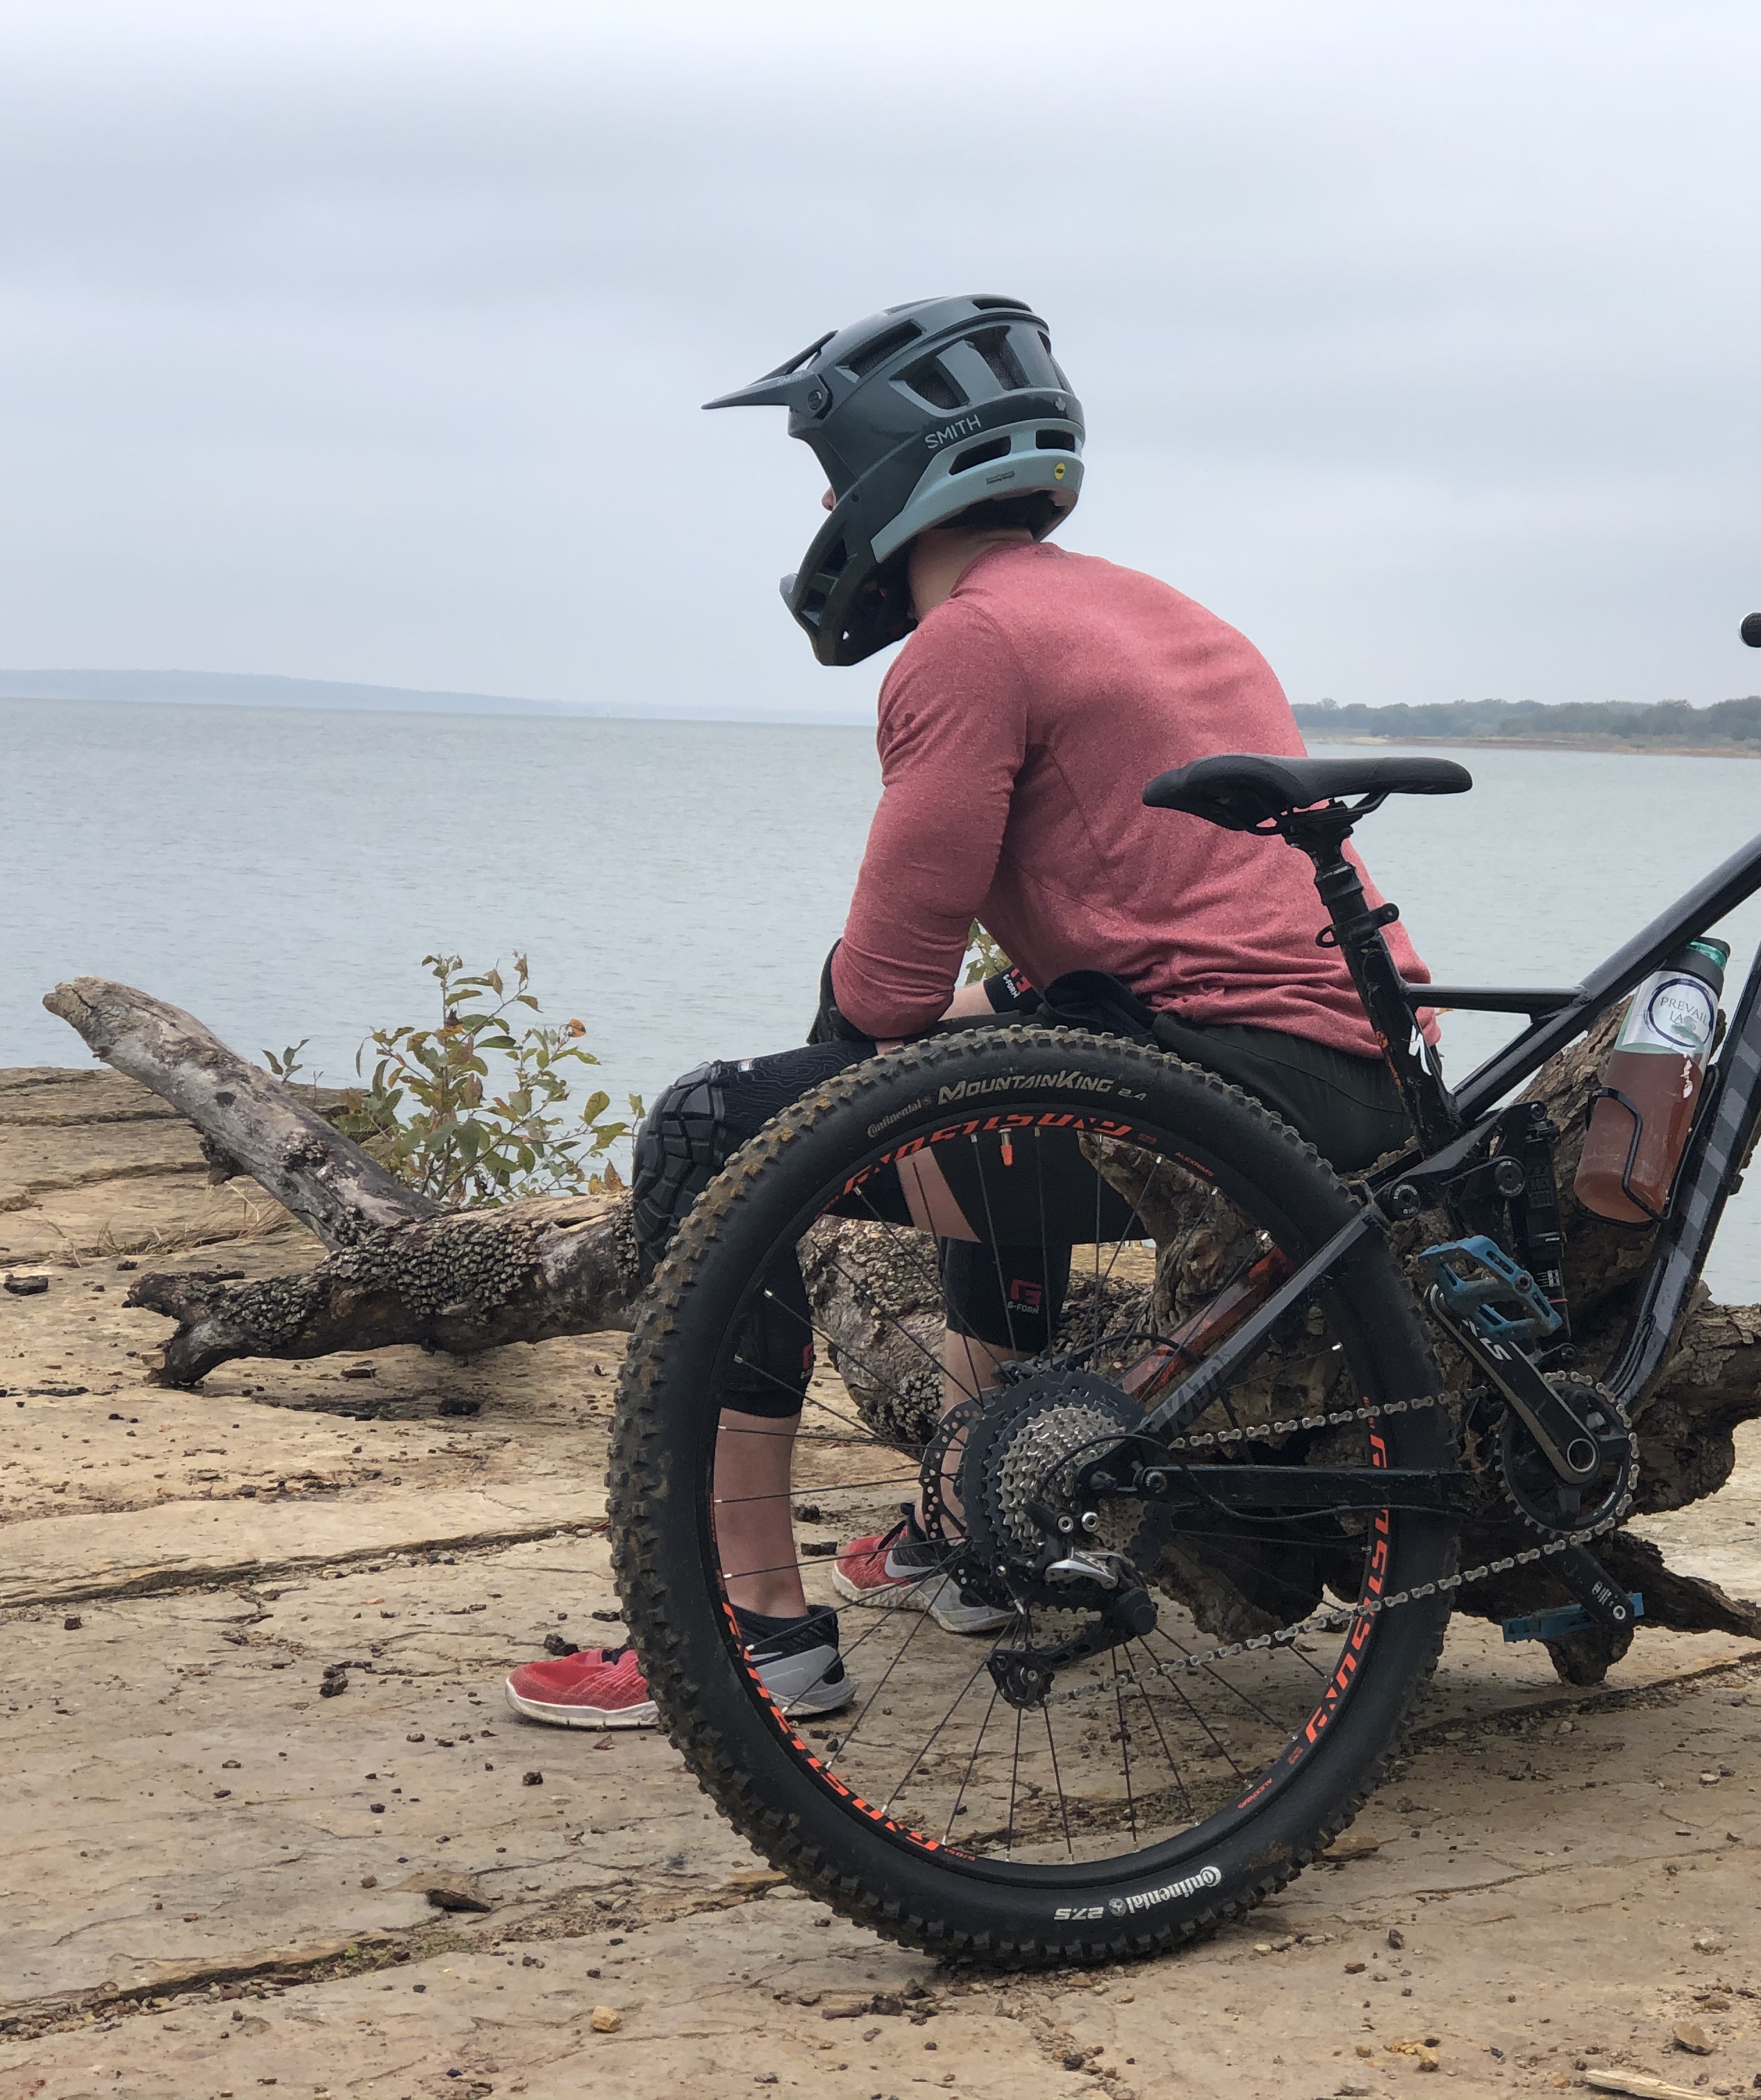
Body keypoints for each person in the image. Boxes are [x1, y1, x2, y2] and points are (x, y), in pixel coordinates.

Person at [504, 294, 1432, 1727]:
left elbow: (882, 993)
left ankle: (740, 1629)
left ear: (886, 476)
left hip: (1222, 1102)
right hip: (1352, 1083)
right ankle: (969, 1537)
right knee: (985, 1062)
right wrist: (953, 1019)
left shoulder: (971, 643)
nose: (825, 509)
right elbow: (1146, 940)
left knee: (708, 1128)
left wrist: (827, 1067)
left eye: (829, 475)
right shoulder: (1163, 611)